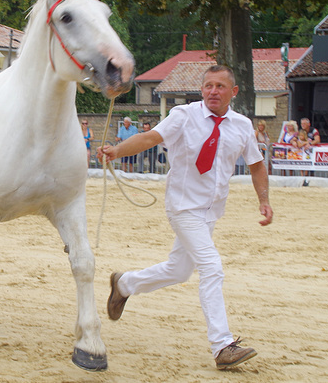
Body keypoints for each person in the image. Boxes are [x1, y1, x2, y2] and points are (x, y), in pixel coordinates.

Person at [98, 65, 273, 370]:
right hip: (182, 206)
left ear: (233, 92)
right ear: (202, 89)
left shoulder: (242, 125)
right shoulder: (184, 115)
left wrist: (264, 200)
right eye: (208, 85)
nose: (213, 91)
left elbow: (257, 165)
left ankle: (124, 284)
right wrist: (116, 150)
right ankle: (223, 345)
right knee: (212, 267)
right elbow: (150, 138)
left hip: (211, 211)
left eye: (220, 86)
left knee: (179, 270)